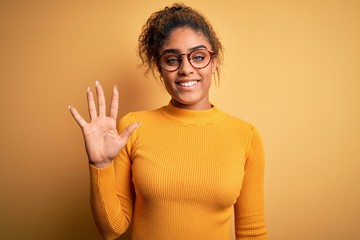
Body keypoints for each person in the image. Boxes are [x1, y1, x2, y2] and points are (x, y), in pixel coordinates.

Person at [69, 3, 267, 240]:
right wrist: (100, 165)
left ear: (213, 62)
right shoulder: (132, 128)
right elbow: (112, 230)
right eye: (172, 60)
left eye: (198, 57)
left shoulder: (245, 136)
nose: (186, 69)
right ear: (159, 67)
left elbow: (252, 232)